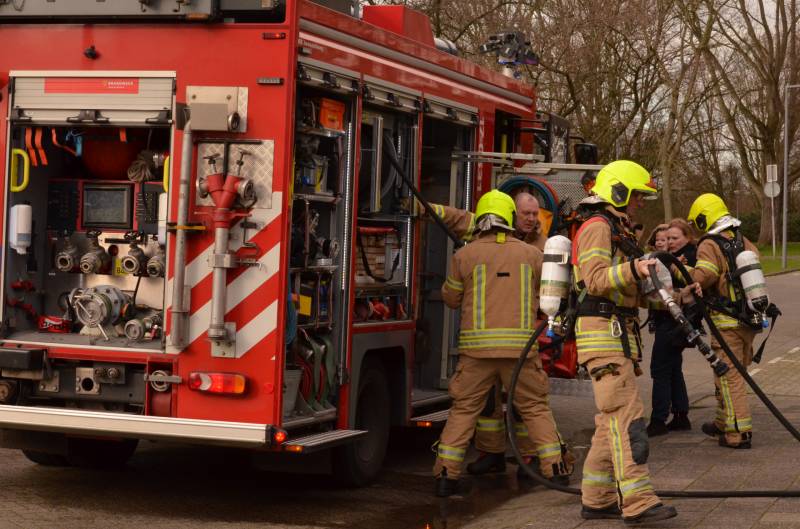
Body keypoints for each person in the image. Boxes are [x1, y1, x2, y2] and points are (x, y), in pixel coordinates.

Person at [433, 190, 572, 497]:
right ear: (509, 218)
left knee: (464, 411)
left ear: (481, 218)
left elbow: (451, 298)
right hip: (521, 353)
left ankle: (445, 476)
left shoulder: (464, 255)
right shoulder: (531, 254)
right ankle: (556, 470)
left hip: (476, 355)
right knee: (534, 408)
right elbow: (550, 295)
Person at [572, 160, 677, 524]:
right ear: (618, 192)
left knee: (610, 421)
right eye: (636, 195)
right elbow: (595, 279)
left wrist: (678, 297)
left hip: (617, 335)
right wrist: (635, 268)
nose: (640, 203)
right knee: (628, 419)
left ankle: (597, 498)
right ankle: (638, 500)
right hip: (602, 335)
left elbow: (629, 291)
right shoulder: (597, 227)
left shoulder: (618, 229)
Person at [686, 194, 765, 449]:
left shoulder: (709, 243)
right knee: (724, 373)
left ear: (703, 218)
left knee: (731, 378)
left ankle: (738, 433)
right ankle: (722, 421)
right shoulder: (741, 237)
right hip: (748, 320)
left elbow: (704, 275)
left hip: (726, 322)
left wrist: (683, 270)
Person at [646, 219, 696, 436]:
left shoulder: (683, 260)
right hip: (675, 322)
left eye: (673, 238)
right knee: (673, 367)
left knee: (660, 368)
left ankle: (658, 420)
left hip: (672, 321)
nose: (668, 242)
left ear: (687, 237)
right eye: (665, 239)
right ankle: (681, 416)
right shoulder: (677, 258)